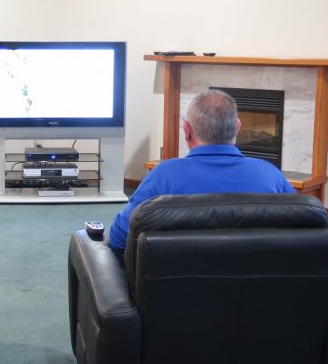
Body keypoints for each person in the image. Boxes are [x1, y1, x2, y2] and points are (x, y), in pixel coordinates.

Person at [108, 89, 295, 254]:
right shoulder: (270, 175)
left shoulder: (163, 176)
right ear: (237, 127)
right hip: (257, 281)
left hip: (175, 282)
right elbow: (301, 229)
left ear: (187, 131)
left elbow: (119, 237)